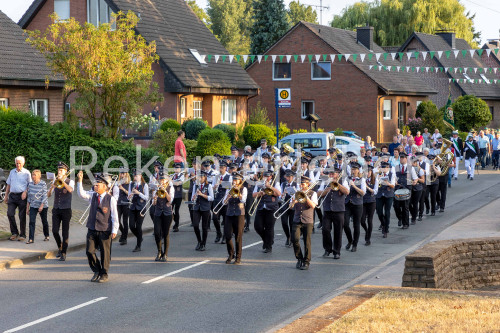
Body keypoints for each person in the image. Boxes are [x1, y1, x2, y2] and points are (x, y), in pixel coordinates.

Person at [77, 172, 118, 283]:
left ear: (104, 186)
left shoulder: (111, 199)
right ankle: (96, 270)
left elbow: (114, 216)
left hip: (105, 229)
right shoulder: (93, 195)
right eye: (95, 183)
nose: (95, 185)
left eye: (98, 184)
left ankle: (104, 273)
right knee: (89, 251)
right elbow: (81, 194)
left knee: (105, 253)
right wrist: (80, 180)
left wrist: (114, 230)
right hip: (92, 228)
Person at [318, 167, 349, 259]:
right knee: (325, 230)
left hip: (339, 210)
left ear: (337, 174)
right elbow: (318, 193)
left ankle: (337, 251)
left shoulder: (343, 181)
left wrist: (338, 185)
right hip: (327, 210)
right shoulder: (324, 182)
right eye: (330, 174)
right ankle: (327, 249)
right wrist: (327, 190)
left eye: (333, 174)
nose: (331, 175)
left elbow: (347, 191)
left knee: (338, 231)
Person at [47, 162, 74, 261]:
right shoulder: (55, 181)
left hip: (66, 210)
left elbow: (70, 190)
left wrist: (63, 182)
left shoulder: (70, 181)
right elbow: (48, 195)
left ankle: (64, 253)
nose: (59, 172)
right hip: (56, 209)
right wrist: (51, 187)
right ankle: (60, 247)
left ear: (65, 172)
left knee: (65, 233)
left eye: (61, 170)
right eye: (58, 170)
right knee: (54, 231)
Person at [290, 176, 318, 270]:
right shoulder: (296, 193)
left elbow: (313, 206)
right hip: (297, 219)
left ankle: (306, 261)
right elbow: (290, 207)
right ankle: (299, 258)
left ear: (308, 184)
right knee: (295, 239)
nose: (301, 186)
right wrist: (293, 202)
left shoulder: (313, 193)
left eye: (303, 184)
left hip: (308, 220)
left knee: (307, 241)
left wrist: (305, 197)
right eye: (300, 184)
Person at [253, 170, 281, 253]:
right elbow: (253, 195)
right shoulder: (259, 183)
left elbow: (278, 193)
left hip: (272, 208)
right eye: (265, 176)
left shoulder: (276, 183)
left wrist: (270, 187)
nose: (266, 178)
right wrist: (260, 193)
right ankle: (267, 240)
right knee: (258, 226)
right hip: (261, 207)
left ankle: (269, 246)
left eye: (268, 176)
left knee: (269, 228)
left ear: (271, 177)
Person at [223, 172, 247, 264]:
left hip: (239, 214)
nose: (234, 181)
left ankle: (238, 257)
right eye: (233, 179)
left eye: (236, 179)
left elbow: (243, 200)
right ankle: (231, 253)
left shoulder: (243, 189)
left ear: (240, 180)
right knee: (227, 235)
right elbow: (223, 203)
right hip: (229, 213)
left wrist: (238, 192)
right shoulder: (229, 189)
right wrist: (227, 197)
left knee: (238, 236)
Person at [5, 156, 31, 241]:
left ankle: (22, 234)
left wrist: (25, 192)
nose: (18, 164)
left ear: (23, 163)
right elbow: (8, 184)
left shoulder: (27, 173)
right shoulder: (12, 172)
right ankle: (14, 232)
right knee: (10, 213)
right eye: (16, 163)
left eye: (19, 163)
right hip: (12, 196)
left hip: (22, 196)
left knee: (21, 215)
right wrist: (6, 196)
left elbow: (30, 185)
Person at [152, 169, 175, 262]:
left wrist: (165, 191)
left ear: (167, 180)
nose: (161, 181)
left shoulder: (170, 188)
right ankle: (159, 252)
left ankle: (165, 254)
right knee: (157, 233)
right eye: (160, 180)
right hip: (158, 212)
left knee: (166, 233)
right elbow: (153, 204)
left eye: (163, 180)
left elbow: (170, 200)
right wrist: (154, 198)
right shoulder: (157, 188)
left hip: (167, 213)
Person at [343, 162, 366, 252]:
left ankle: (355, 244)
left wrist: (354, 186)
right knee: (345, 223)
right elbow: (345, 190)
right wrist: (348, 186)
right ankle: (350, 240)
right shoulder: (347, 179)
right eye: (352, 169)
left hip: (357, 204)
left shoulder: (362, 180)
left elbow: (363, 192)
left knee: (356, 225)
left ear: (358, 170)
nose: (353, 171)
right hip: (348, 203)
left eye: (355, 169)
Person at [393, 153, 417, 229]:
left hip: (407, 189)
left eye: (403, 158)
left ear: (406, 159)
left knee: (405, 207)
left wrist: (415, 182)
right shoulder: (396, 167)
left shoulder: (411, 168)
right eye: (400, 158)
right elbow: (393, 177)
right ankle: (400, 218)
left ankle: (405, 224)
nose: (401, 159)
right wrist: (394, 181)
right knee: (396, 206)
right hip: (398, 189)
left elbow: (415, 178)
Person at [191, 171, 214, 251]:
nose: (200, 179)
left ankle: (203, 243)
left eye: (201, 177)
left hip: (205, 208)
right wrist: (193, 197)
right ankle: (199, 241)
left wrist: (202, 195)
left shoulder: (209, 186)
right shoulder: (195, 185)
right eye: (199, 177)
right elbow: (192, 198)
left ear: (205, 178)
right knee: (195, 225)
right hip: (197, 207)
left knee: (204, 227)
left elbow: (211, 198)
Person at [128, 169, 149, 252]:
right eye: (134, 176)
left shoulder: (145, 185)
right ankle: (140, 238)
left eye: (136, 176)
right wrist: (129, 196)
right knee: (131, 226)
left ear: (140, 176)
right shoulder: (131, 184)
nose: (135, 177)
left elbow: (146, 197)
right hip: (133, 207)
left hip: (141, 208)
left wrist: (138, 193)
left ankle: (138, 245)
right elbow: (129, 195)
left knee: (138, 226)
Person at [26, 170, 49, 243]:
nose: (33, 176)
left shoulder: (43, 184)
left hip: (43, 205)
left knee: (44, 221)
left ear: (39, 176)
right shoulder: (30, 184)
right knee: (31, 221)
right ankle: (31, 238)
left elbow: (45, 196)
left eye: (35, 175)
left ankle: (46, 235)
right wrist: (27, 208)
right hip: (33, 205)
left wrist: (42, 206)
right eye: (32, 175)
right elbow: (29, 197)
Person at [212, 162, 232, 243]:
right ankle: (218, 233)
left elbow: (230, 186)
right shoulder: (216, 176)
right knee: (214, 218)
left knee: (225, 219)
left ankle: (224, 236)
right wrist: (214, 187)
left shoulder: (229, 176)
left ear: (225, 168)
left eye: (222, 168)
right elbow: (212, 187)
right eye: (220, 168)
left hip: (225, 199)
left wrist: (222, 183)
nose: (221, 169)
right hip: (217, 198)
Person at [375, 161, 395, 238]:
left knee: (387, 212)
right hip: (380, 195)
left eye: (385, 167)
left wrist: (387, 183)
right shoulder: (378, 175)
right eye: (382, 167)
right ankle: (383, 224)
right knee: (379, 212)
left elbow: (393, 185)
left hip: (388, 195)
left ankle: (386, 229)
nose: (383, 169)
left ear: (388, 168)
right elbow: (376, 185)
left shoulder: (391, 175)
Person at [279, 170, 298, 247]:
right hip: (284, 205)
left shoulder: (296, 184)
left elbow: (298, 195)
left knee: (291, 223)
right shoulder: (283, 184)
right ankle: (288, 236)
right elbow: (280, 196)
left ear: (292, 177)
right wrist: (283, 194)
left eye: (289, 177)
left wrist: (291, 193)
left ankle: (291, 239)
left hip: (292, 205)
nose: (287, 178)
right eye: (287, 176)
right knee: (284, 222)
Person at [360, 165, 378, 246]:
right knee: (362, 220)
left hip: (371, 202)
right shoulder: (362, 180)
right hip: (363, 201)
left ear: (371, 172)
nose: (367, 173)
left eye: (369, 172)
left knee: (369, 220)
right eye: (366, 172)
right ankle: (367, 230)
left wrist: (367, 187)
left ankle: (368, 238)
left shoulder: (375, 180)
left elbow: (375, 191)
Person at [113, 167, 131, 245]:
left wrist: (122, 189)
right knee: (117, 220)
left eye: (123, 173)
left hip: (126, 203)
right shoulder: (118, 182)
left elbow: (130, 194)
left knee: (125, 221)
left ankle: (125, 238)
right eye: (121, 173)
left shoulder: (129, 183)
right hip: (118, 203)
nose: (122, 175)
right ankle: (123, 233)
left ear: (126, 174)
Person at [409, 157, 425, 224]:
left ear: (416, 163)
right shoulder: (408, 169)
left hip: (418, 188)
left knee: (415, 203)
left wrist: (417, 179)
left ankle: (414, 218)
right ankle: (414, 214)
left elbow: (423, 180)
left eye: (413, 162)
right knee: (409, 203)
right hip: (410, 188)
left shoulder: (420, 170)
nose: (412, 164)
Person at [170, 163, 185, 232]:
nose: (176, 169)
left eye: (178, 168)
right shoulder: (171, 176)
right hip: (172, 195)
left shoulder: (182, 176)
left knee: (176, 210)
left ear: (180, 169)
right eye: (175, 168)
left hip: (178, 196)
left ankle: (176, 225)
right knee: (170, 210)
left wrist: (171, 181)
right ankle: (175, 220)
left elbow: (178, 183)